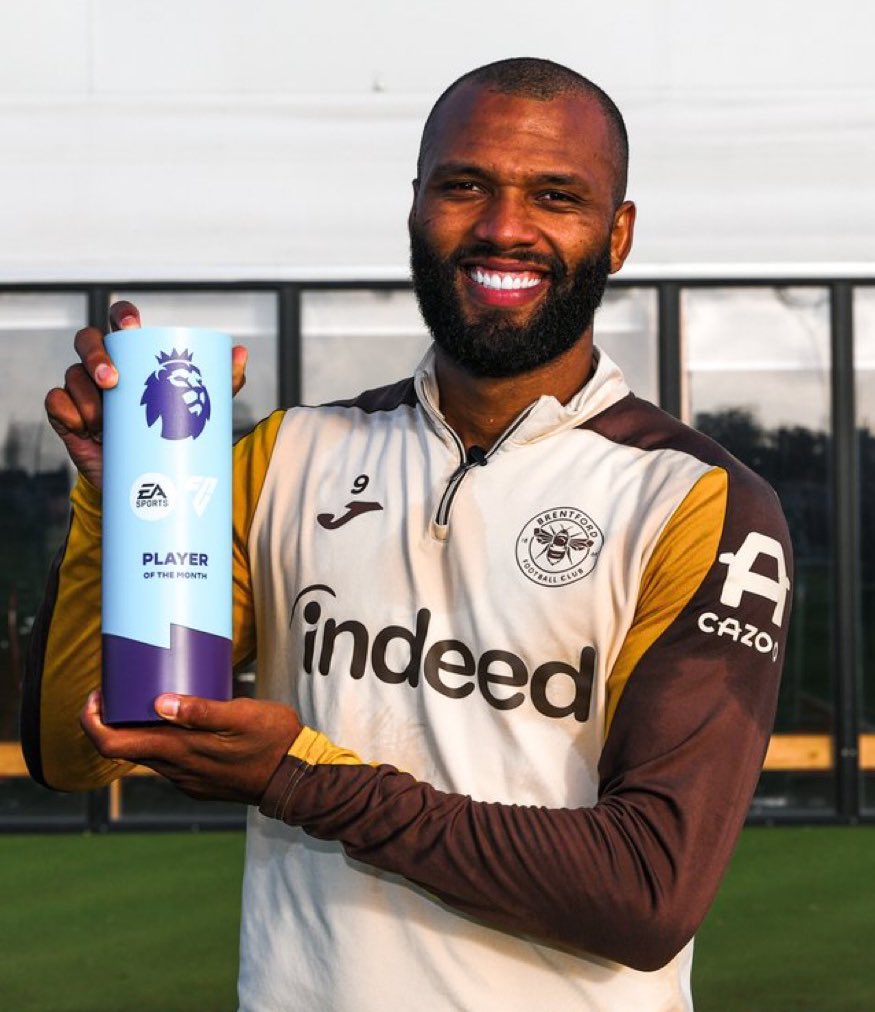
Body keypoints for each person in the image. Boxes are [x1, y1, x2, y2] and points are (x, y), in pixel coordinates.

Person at [22, 57, 793, 1011]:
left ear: (618, 232)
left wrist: (305, 778)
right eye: (465, 185)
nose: (504, 227)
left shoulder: (698, 500)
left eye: (555, 195)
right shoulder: (290, 454)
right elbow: (85, 745)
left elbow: (645, 891)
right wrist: (125, 504)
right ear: (416, 206)